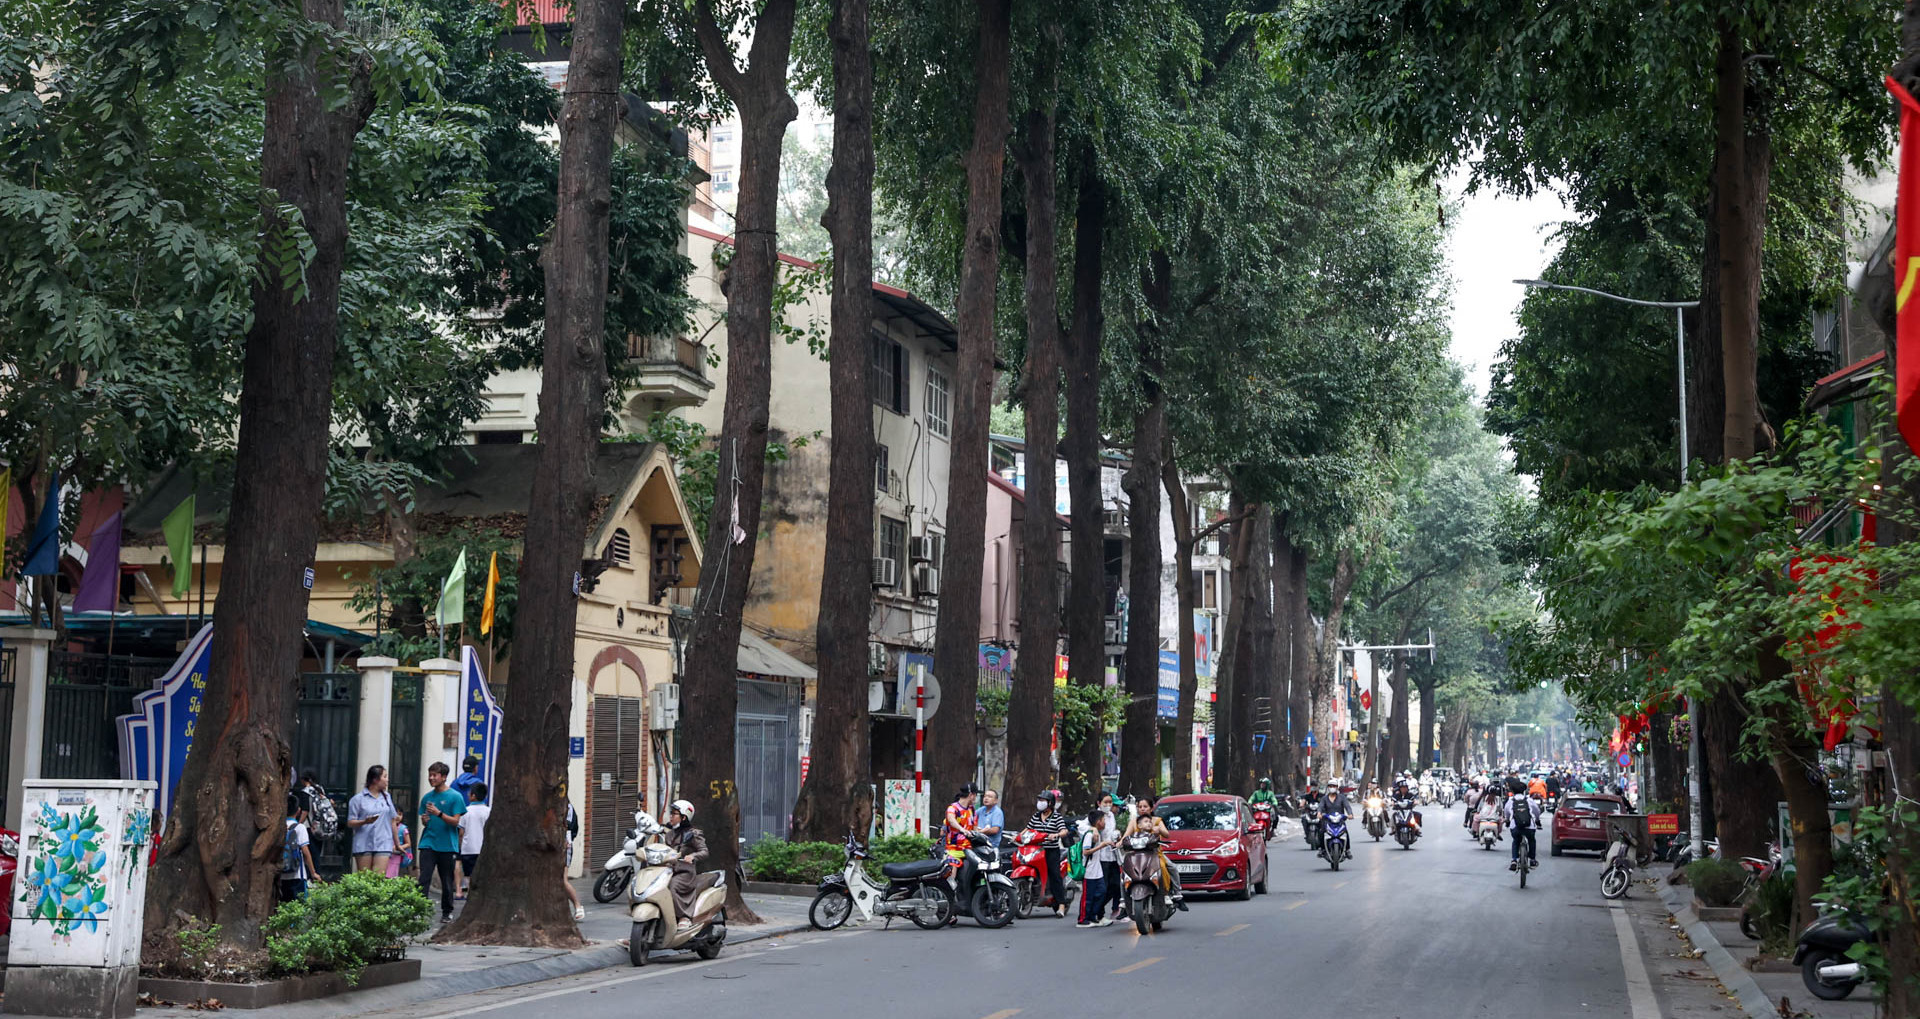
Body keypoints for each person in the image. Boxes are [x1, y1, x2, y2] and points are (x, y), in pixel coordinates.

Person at [418, 761, 467, 923]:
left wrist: (439, 814)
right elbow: (425, 820)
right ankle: (418, 909)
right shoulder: (427, 797)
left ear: (444, 777)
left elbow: (455, 821)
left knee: (446, 880)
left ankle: (447, 911)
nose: (431, 778)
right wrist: (425, 820)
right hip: (428, 842)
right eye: (430, 774)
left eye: (435, 775)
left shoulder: (455, 797)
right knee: (424, 877)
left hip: (447, 845)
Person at [1123, 797, 1186, 911]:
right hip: (1137, 855)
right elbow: (1126, 836)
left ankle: (1175, 894)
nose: (1142, 809)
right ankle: (1123, 900)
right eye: (1140, 807)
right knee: (1124, 871)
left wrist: (1159, 830)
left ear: (1151, 808)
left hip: (1155, 854)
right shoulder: (1134, 822)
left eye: (1145, 806)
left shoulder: (1157, 820)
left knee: (1169, 867)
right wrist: (1118, 842)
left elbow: (1166, 834)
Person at [663, 799, 709, 929]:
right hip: (669, 871)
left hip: (685, 873)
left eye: (674, 814)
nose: (671, 816)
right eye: (671, 813)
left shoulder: (694, 834)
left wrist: (693, 856)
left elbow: (704, 851)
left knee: (672, 886)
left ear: (684, 817)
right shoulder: (670, 834)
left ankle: (684, 917)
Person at [1026, 791, 1071, 918]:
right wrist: (1017, 836)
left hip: (1051, 851)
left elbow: (1064, 830)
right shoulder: (1036, 816)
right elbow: (1028, 829)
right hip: (1036, 850)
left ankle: (1061, 904)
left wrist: (1056, 835)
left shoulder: (1056, 817)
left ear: (1050, 803)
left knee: (1055, 875)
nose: (1040, 803)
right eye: (1039, 800)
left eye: (1043, 800)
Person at [347, 765, 400, 873]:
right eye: (385, 777)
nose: (387, 780)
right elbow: (350, 822)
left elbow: (393, 820)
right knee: (365, 880)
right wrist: (364, 821)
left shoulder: (387, 797)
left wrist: (397, 844)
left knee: (379, 879)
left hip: (383, 843)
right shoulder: (358, 799)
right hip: (363, 843)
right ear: (375, 779)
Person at [1076, 809, 1116, 927]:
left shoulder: (1097, 834)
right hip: (1089, 870)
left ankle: (1093, 916)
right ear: (1098, 822)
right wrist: (1102, 846)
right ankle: (1083, 919)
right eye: (1103, 820)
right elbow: (1086, 852)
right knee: (1088, 896)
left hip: (1097, 870)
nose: (1105, 823)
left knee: (1101, 892)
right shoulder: (1089, 835)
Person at [280, 792, 318, 902]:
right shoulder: (300, 827)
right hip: (297, 875)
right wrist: (313, 872)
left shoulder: (278, 826)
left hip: (280, 875)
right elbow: (305, 851)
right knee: (299, 907)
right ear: (298, 810)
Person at [457, 781, 490, 898]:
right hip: (484, 849)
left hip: (468, 848)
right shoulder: (489, 811)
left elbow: (461, 832)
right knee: (483, 874)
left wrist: (459, 844)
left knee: (469, 875)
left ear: (473, 796)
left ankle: (470, 896)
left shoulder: (465, 811)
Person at [1505, 785, 1543, 871]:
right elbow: (1537, 811)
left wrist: (1507, 821)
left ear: (1513, 791)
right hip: (1529, 827)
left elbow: (1506, 812)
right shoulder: (1529, 800)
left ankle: (1514, 860)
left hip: (1515, 826)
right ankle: (1532, 860)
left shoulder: (1510, 801)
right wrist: (1537, 820)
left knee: (1516, 841)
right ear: (1524, 791)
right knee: (1531, 840)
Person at [941, 784, 979, 866]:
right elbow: (951, 820)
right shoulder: (953, 808)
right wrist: (962, 829)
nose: (976, 798)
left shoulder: (972, 810)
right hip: (953, 850)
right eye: (976, 795)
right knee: (952, 870)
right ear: (971, 795)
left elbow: (975, 829)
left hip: (969, 850)